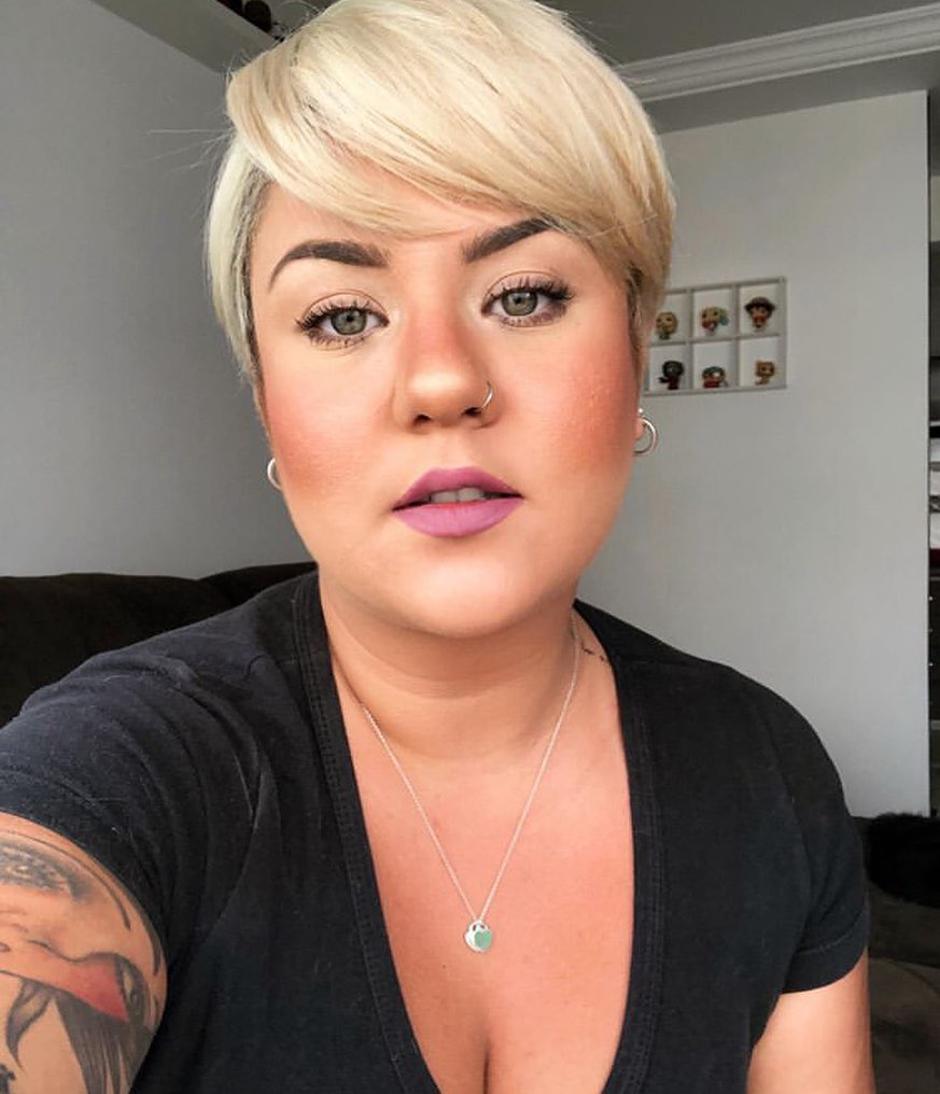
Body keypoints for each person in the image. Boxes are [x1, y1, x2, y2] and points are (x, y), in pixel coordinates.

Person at [0, 0, 874, 1090]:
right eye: (342, 315)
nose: (442, 378)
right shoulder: (122, 764)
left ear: (634, 351)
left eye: (524, 295)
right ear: (267, 404)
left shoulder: (768, 775)